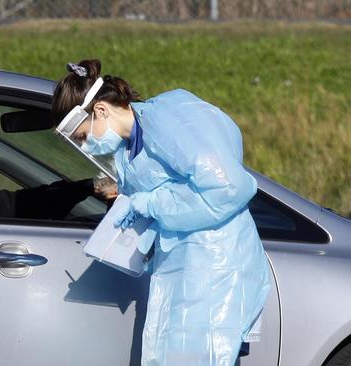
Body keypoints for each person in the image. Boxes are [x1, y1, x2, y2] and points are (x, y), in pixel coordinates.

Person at [52, 59, 270, 365]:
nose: (87, 147)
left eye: (84, 137)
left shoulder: (168, 122)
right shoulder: (127, 149)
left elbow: (229, 188)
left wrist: (152, 203)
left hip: (215, 265)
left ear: (100, 110)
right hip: (179, 266)